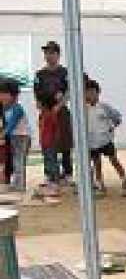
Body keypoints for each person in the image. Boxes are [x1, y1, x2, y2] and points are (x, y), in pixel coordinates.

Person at [34, 41, 73, 185]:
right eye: (46, 53)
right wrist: (41, 106)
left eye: (51, 53)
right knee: (47, 143)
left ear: (58, 54)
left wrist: (60, 104)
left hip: (60, 110)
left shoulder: (65, 72)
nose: (48, 56)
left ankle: (68, 173)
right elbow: (36, 93)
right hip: (45, 112)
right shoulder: (40, 74)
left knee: (64, 142)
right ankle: (50, 174)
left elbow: (69, 92)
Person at [84, 78, 126, 197]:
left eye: (93, 92)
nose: (90, 95)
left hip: (106, 140)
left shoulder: (104, 107)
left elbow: (117, 117)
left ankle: (124, 179)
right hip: (92, 142)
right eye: (87, 92)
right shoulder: (84, 109)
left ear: (98, 93)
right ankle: (100, 184)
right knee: (97, 163)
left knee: (113, 160)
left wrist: (112, 127)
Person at [0, 79, 30, 192]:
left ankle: (20, 185)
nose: (1, 97)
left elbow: (11, 125)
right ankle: (16, 183)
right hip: (14, 137)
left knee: (19, 161)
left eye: (4, 94)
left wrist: (2, 135)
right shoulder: (5, 109)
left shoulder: (17, 108)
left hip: (22, 137)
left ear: (12, 95)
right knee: (15, 160)